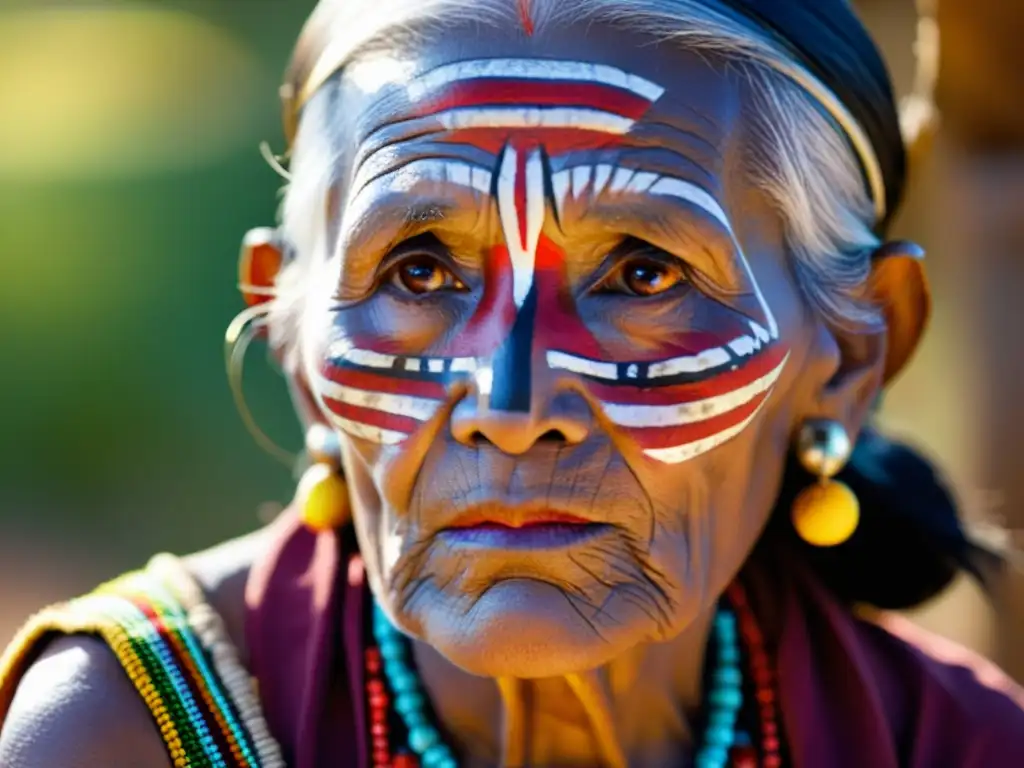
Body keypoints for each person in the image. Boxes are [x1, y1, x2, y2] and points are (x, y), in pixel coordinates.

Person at [1, 0, 1023, 765]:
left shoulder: (951, 744)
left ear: (852, 348)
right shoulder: (128, 734)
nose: (510, 404)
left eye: (641, 272)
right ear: (289, 329)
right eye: (420, 271)